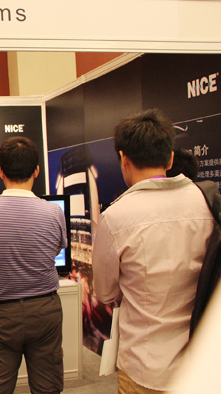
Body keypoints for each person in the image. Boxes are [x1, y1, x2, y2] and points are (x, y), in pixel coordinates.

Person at [92, 109, 215, 394]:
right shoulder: (207, 202)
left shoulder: (116, 216)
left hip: (144, 365)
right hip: (202, 363)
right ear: (170, 158)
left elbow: (105, 293)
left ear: (124, 159)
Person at [0, 136, 67, 394]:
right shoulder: (53, 211)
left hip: (2, 313)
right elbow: (56, 249)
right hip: (45, 308)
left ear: (0, 171)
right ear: (36, 171)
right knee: (48, 387)